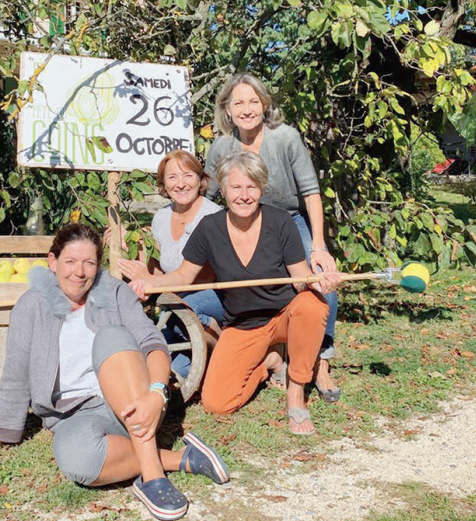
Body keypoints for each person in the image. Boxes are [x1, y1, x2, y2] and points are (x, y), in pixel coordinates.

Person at [0, 223, 229, 521]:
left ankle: (152, 477)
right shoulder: (30, 307)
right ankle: (182, 459)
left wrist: (157, 392)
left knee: (111, 336)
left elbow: (153, 344)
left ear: (98, 266)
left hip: (133, 397)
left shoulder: (115, 292)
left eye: (89, 263)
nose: (79, 272)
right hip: (72, 416)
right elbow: (16, 374)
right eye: (70, 262)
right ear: (52, 262)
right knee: (78, 462)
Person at [128, 153, 343, 435]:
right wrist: (149, 283)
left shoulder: (279, 222)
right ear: (225, 190)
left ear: (261, 189)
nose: (244, 195)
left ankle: (296, 394)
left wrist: (319, 283)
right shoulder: (210, 228)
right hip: (243, 325)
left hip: (284, 316)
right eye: (236, 187)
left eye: (251, 187)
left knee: (312, 305)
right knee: (217, 402)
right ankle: (268, 361)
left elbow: (301, 279)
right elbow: (183, 276)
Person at [206, 73, 341, 402]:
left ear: (265, 104)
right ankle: (270, 349)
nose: (247, 108)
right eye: (238, 102)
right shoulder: (221, 147)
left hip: (289, 219)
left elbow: (310, 192)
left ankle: (322, 359)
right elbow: (207, 197)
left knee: (320, 277)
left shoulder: (285, 138)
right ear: (227, 109)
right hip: (242, 222)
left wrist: (319, 246)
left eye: (253, 101)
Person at [118, 150, 224, 377]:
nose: (181, 184)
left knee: (182, 313)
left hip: (211, 296)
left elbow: (202, 277)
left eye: (187, 175)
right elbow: (159, 269)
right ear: (164, 184)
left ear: (200, 179)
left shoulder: (213, 216)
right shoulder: (161, 217)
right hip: (175, 299)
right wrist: (132, 249)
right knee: (165, 367)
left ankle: (222, 345)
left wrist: (149, 281)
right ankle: (201, 359)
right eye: (172, 177)